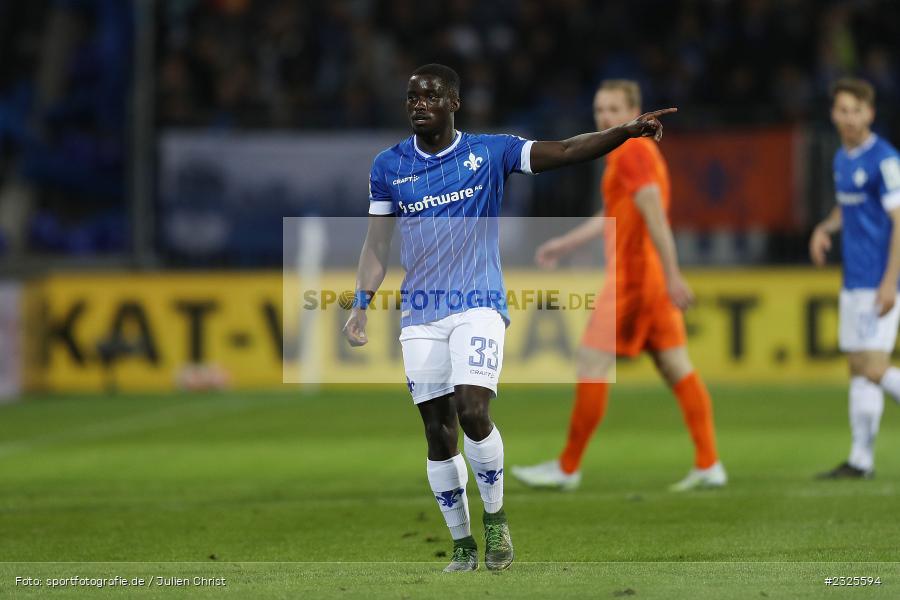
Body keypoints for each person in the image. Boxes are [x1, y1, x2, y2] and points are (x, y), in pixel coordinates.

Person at [343, 65, 674, 572]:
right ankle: (462, 545)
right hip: (422, 314)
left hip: (478, 304)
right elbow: (377, 244)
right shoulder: (388, 166)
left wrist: (623, 133)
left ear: (454, 101)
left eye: (429, 96)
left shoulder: (489, 152)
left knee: (473, 410)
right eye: (412, 97)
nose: (418, 105)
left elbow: (565, 149)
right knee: (438, 432)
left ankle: (495, 521)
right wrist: (361, 305)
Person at [510, 80, 725, 493]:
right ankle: (709, 462)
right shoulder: (630, 154)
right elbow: (613, 209)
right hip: (650, 279)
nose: (604, 118)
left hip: (634, 280)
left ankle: (567, 468)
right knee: (676, 367)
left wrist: (674, 273)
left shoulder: (632, 152)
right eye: (599, 111)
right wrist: (566, 243)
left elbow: (655, 216)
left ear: (634, 111)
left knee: (592, 363)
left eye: (613, 110)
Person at [810, 78, 900, 479]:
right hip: (853, 281)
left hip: (878, 280)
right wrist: (825, 228)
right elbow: (845, 208)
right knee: (858, 369)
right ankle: (860, 460)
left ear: (870, 113)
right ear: (834, 114)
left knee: (872, 368)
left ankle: (861, 459)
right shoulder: (842, 159)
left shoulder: (885, 160)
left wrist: (889, 282)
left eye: (855, 110)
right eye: (841, 110)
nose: (847, 118)